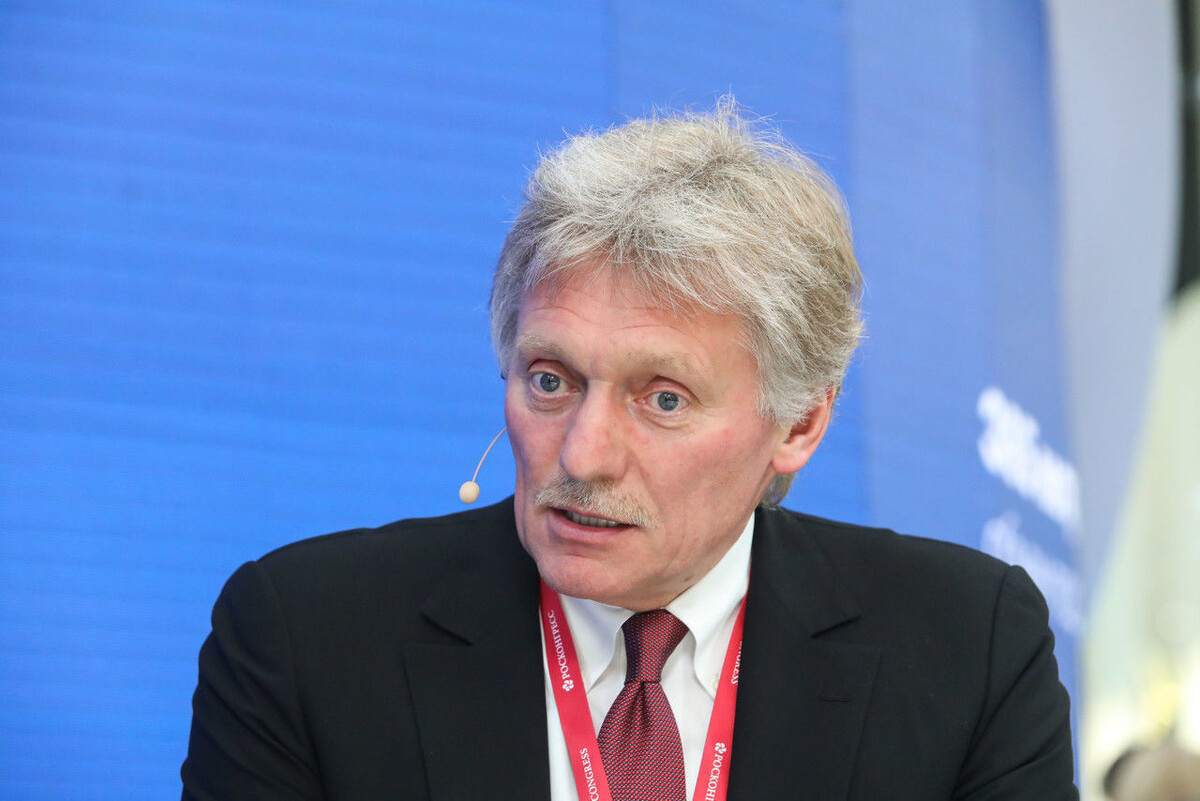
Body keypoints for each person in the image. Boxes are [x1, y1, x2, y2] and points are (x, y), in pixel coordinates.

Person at [181, 99, 1078, 800]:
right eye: (551, 380)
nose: (584, 454)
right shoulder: (307, 640)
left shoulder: (966, 646)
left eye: (663, 398)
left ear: (800, 423)